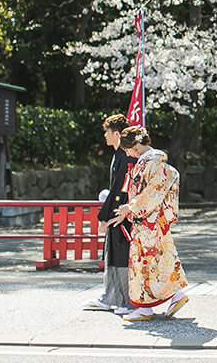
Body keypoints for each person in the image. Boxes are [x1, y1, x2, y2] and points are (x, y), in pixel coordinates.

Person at [109, 126, 188, 320]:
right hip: (149, 219)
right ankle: (176, 295)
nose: (127, 154)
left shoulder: (153, 162)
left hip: (149, 221)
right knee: (159, 260)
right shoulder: (150, 161)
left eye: (127, 149)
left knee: (146, 263)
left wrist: (131, 206)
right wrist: (128, 211)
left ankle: (145, 308)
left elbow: (154, 191)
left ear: (136, 145)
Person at [85, 114, 135, 314]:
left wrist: (104, 216)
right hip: (116, 212)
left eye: (107, 132)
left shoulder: (124, 156)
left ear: (116, 134)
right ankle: (110, 297)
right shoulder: (119, 155)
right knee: (112, 256)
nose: (104, 135)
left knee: (120, 257)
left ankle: (124, 301)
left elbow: (117, 190)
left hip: (121, 213)